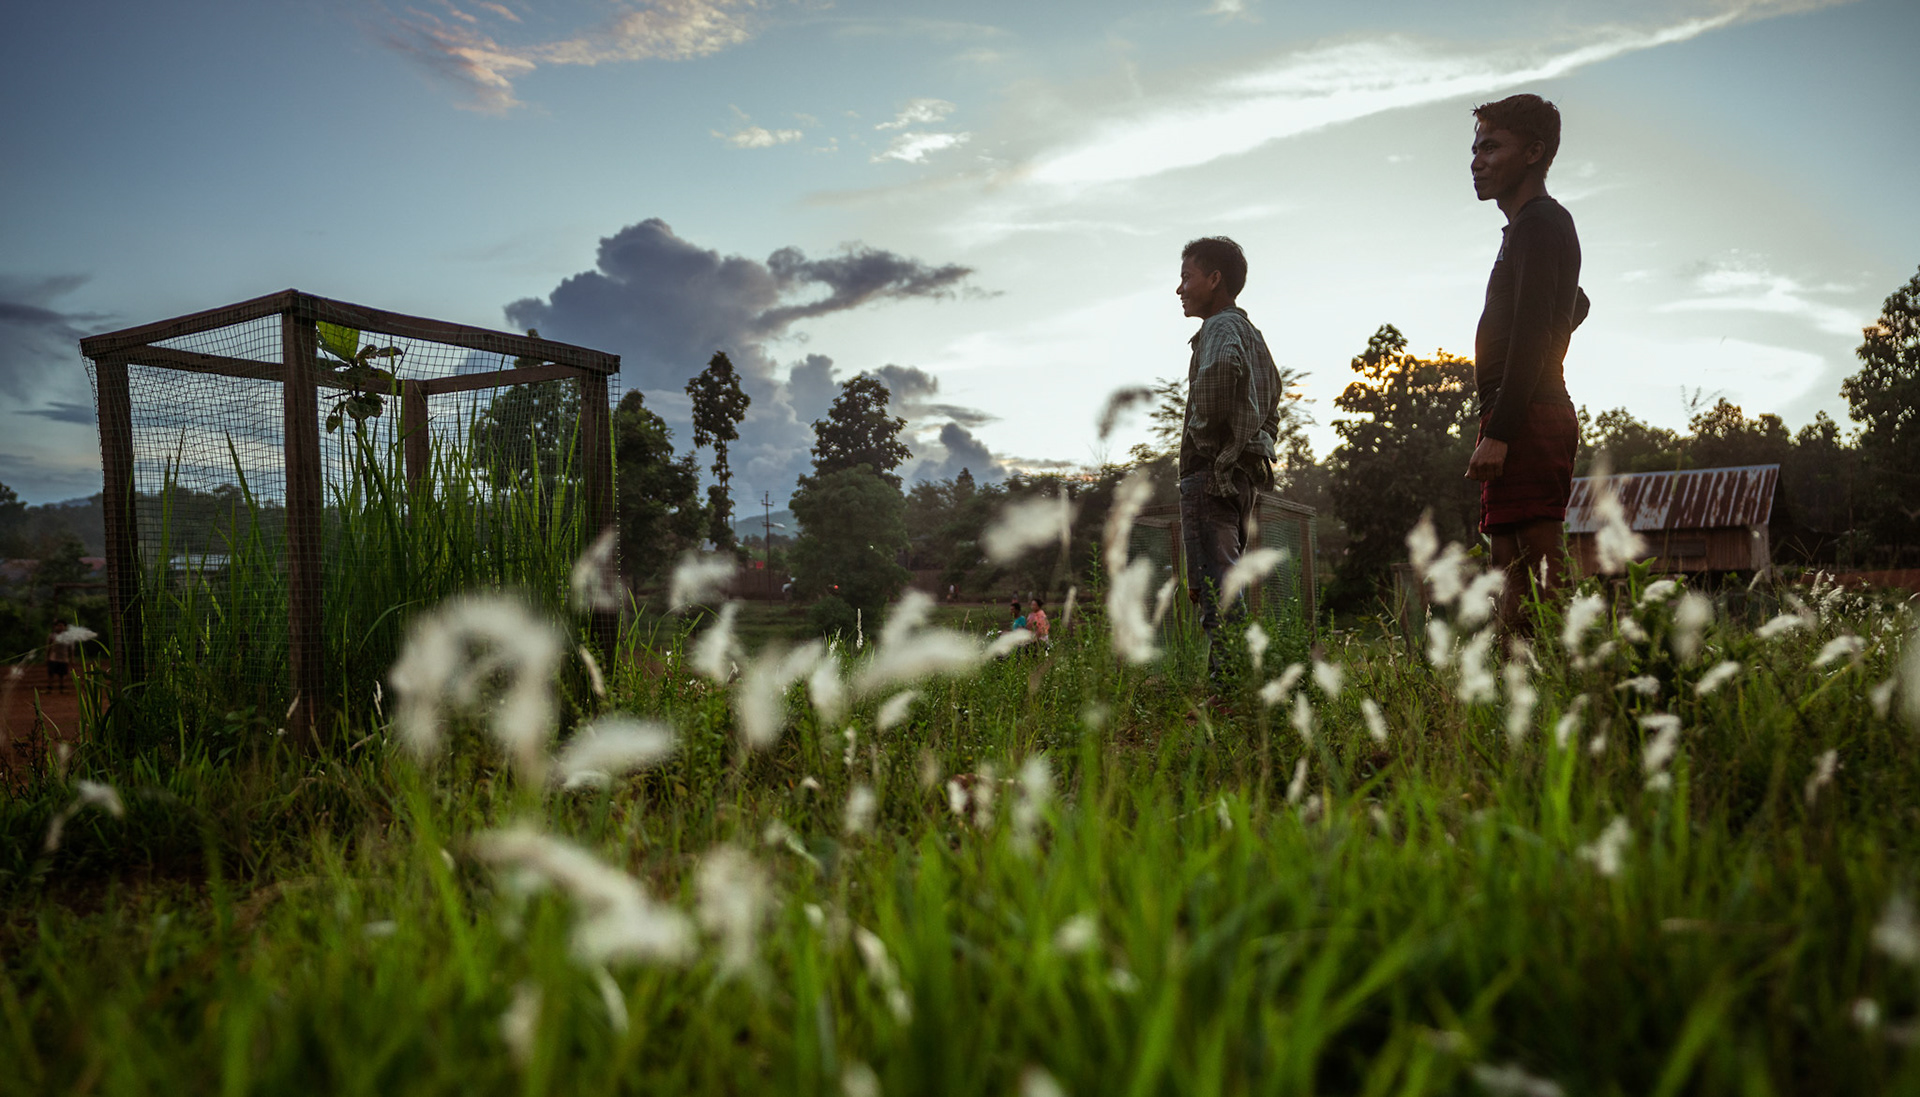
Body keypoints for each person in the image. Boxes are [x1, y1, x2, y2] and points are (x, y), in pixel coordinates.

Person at [1463, 94, 1590, 639]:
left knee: (1539, 580)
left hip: (1530, 416)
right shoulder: (1526, 230)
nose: (1476, 160)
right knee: (1510, 578)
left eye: (1491, 147)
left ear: (1534, 152)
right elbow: (1572, 303)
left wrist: (1502, 430)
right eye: (1475, 148)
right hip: (1520, 411)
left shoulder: (1540, 222)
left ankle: (1563, 691)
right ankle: (1527, 700)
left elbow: (1539, 328)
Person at [1175, 236, 1283, 681]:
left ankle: (1232, 689)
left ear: (1214, 279)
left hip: (1212, 477)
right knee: (1223, 580)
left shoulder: (1219, 328)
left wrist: (1204, 438)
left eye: (1186, 277)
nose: (1179, 288)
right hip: (1239, 479)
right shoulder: (1252, 336)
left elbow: (1219, 373)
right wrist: (1249, 448)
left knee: (1218, 587)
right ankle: (1233, 682)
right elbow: (1274, 401)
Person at [45, 618, 74, 694]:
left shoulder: (68, 637)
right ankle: (49, 688)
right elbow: (48, 647)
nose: (60, 627)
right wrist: (47, 657)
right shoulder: (52, 636)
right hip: (53, 658)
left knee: (62, 674)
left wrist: (71, 658)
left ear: (65, 627)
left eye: (62, 626)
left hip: (64, 658)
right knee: (51, 674)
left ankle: (61, 688)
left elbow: (71, 649)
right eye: (58, 625)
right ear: (55, 627)